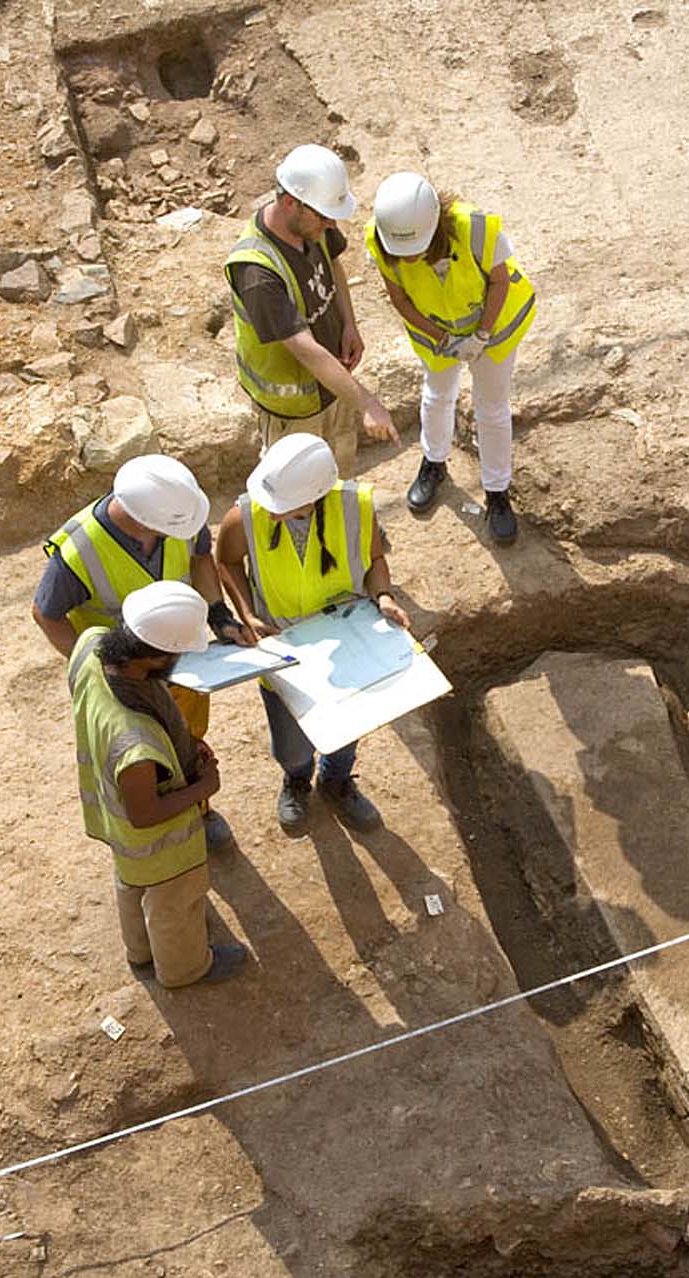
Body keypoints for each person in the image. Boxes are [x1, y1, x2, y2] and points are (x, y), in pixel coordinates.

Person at [32, 454, 238, 849]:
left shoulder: (177, 516)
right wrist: (94, 665)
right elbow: (46, 614)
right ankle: (171, 832)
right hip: (129, 682)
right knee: (147, 758)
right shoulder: (80, 551)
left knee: (189, 740)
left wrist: (218, 614)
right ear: (144, 520)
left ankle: (200, 813)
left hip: (180, 663)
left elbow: (199, 560)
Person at [214, 432, 412, 837]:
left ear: (316, 495)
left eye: (280, 507)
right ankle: (297, 779)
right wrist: (247, 613)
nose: (269, 513)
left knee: (346, 725)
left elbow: (373, 559)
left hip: (348, 643)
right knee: (291, 742)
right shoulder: (245, 514)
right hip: (283, 646)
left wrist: (385, 596)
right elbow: (227, 561)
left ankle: (337, 780)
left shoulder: (355, 506)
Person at [69, 582, 247, 987]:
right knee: (175, 902)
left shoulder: (91, 643)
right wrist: (205, 787)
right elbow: (145, 813)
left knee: (132, 885)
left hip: (117, 822)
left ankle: (141, 952)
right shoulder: (135, 741)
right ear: (156, 655)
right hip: (159, 841)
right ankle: (185, 969)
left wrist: (184, 741)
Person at [365, 171, 536, 545]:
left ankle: (496, 492)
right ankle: (434, 462)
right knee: (438, 393)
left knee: (490, 407)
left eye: (415, 251)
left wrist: (480, 336)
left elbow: (500, 281)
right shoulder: (382, 238)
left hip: (494, 327)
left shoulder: (476, 229)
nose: (407, 259)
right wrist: (443, 337)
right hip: (437, 334)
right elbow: (400, 299)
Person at [225, 143, 399, 478]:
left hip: (333, 387)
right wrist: (368, 404)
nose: (332, 225)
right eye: (323, 216)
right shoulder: (257, 273)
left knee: (337, 477)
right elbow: (306, 351)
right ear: (290, 203)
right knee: (296, 493)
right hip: (292, 412)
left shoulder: (312, 224)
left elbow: (333, 265)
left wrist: (349, 324)